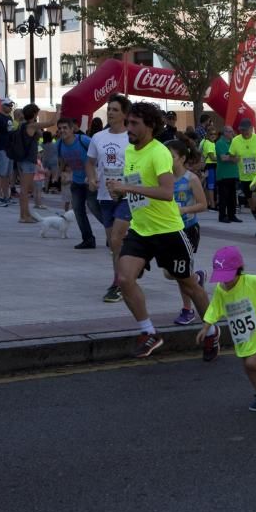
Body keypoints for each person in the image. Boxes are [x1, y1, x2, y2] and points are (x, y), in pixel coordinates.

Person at [108, 102, 211, 359]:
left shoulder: (159, 153)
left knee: (189, 285)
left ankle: (211, 331)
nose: (128, 127)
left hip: (168, 232)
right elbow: (135, 186)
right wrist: (117, 190)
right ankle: (149, 332)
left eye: (134, 124)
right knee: (124, 279)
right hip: (141, 230)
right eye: (128, 122)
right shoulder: (131, 152)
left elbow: (166, 192)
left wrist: (128, 188)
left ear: (150, 126)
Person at [197, 246, 256, 411]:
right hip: (241, 334)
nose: (225, 281)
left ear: (239, 270)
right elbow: (214, 308)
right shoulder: (221, 289)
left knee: (252, 364)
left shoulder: (250, 282)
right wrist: (206, 327)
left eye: (228, 276)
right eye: (222, 277)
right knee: (248, 367)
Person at [86, 94, 133, 302]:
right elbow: (90, 162)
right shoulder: (98, 137)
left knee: (116, 238)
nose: (111, 112)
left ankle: (120, 283)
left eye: (115, 109)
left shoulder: (132, 138)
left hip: (127, 196)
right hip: (105, 196)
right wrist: (91, 178)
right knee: (113, 243)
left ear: (124, 114)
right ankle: (123, 274)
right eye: (109, 108)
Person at [167, 136, 208, 325]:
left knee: (181, 273)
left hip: (189, 229)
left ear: (182, 158)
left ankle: (187, 310)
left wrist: (184, 209)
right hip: (170, 229)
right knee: (170, 273)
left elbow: (203, 204)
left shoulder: (191, 179)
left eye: (171, 156)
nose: (167, 159)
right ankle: (197, 277)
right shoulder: (164, 178)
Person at [14, 103, 60, 223]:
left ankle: (25, 214)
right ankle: (24, 216)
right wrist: (58, 109)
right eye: (37, 113)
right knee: (25, 190)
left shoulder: (22, 125)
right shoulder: (31, 125)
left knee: (25, 189)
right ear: (34, 114)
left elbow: (40, 135)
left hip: (22, 160)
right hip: (28, 161)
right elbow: (51, 123)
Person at [57, 117, 98, 248]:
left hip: (91, 180)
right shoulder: (59, 144)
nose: (62, 131)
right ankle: (88, 239)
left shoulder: (83, 140)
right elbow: (61, 160)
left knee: (94, 207)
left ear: (72, 129)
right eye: (60, 128)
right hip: (76, 181)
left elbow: (99, 153)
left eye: (65, 128)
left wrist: (94, 175)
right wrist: (61, 173)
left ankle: (112, 233)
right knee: (78, 211)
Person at [229, 118, 256, 234]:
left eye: (246, 130)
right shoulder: (235, 140)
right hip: (245, 177)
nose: (244, 132)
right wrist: (234, 159)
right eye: (242, 130)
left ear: (252, 129)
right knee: (252, 205)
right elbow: (231, 156)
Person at [216, 125, 239, 222]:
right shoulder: (220, 143)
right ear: (224, 132)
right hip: (223, 175)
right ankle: (222, 216)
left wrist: (231, 158)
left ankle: (232, 215)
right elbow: (223, 158)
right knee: (223, 197)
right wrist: (233, 158)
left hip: (233, 174)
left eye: (232, 131)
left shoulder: (233, 143)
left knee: (232, 197)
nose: (231, 133)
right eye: (229, 131)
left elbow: (238, 156)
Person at [200, 127, 218, 209]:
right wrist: (223, 158)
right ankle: (212, 205)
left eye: (215, 134)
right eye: (211, 134)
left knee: (209, 186)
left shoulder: (211, 143)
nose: (213, 136)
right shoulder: (209, 143)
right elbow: (212, 158)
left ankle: (209, 203)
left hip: (211, 166)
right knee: (211, 186)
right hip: (210, 166)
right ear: (207, 134)